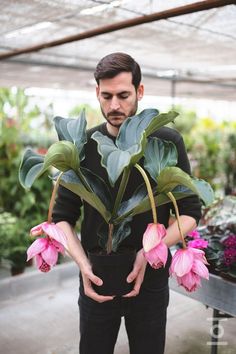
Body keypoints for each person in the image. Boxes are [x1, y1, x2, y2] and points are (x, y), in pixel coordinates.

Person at [52, 52, 202, 354]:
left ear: (140, 91)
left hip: (151, 278)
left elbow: (190, 214)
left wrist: (147, 254)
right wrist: (82, 265)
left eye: (123, 95)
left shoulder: (166, 140)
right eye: (106, 96)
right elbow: (61, 217)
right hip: (96, 277)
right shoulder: (82, 145)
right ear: (96, 92)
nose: (114, 106)